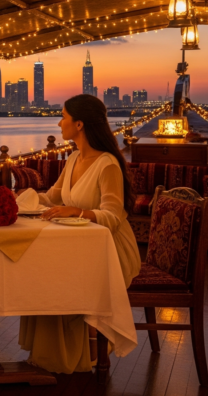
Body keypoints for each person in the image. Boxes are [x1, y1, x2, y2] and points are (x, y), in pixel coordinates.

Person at [20, 94, 141, 374]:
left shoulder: (107, 164)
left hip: (110, 250)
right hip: (76, 245)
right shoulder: (74, 157)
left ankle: (77, 353)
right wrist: (19, 199)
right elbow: (51, 198)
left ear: (79, 124)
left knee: (55, 273)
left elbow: (112, 218)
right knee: (40, 269)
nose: (59, 123)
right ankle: (58, 350)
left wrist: (76, 211)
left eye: (63, 116)